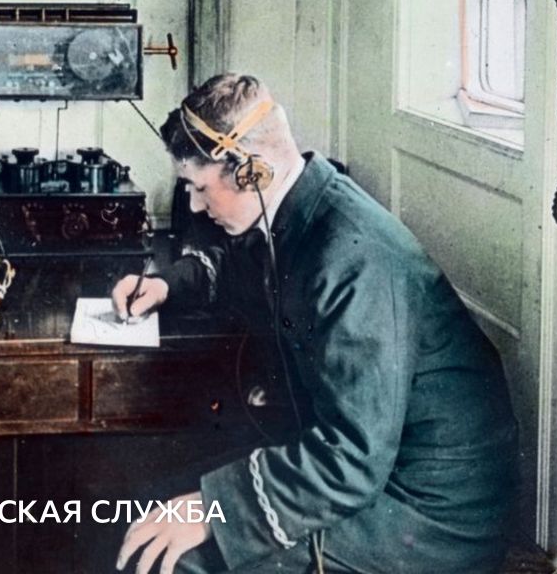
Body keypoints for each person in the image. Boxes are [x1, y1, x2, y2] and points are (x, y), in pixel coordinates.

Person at [110, 74, 520, 574]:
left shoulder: (355, 259)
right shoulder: (302, 209)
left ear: (250, 172)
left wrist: (216, 512)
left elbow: (353, 459)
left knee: (168, 559)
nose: (194, 204)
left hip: (428, 512)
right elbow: (242, 265)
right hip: (377, 472)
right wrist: (167, 286)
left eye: (200, 187)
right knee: (147, 504)